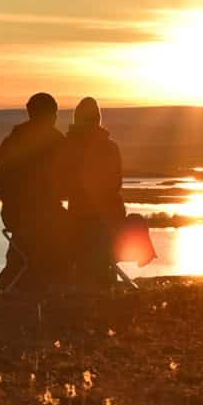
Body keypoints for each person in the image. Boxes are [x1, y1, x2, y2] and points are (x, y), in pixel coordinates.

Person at [0, 92, 66, 290]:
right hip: (45, 215)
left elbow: (1, 184)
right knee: (74, 230)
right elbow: (67, 184)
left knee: (24, 247)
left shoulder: (11, 141)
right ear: (51, 115)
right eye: (54, 114)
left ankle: (13, 284)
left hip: (14, 215)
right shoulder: (57, 142)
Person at [55, 96, 126, 284]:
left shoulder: (68, 147)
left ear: (76, 120)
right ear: (98, 119)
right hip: (109, 218)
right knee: (100, 256)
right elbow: (116, 184)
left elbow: (62, 185)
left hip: (80, 217)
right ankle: (103, 282)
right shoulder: (110, 147)